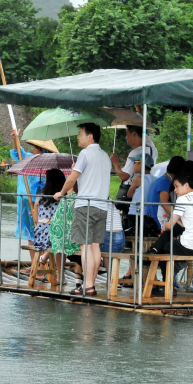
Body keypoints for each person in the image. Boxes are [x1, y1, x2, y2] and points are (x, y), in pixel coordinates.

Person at [53, 122, 110, 296]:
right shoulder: (105, 156)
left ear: (90, 136)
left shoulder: (85, 154)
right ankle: (89, 284)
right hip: (102, 206)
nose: (78, 137)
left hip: (85, 205)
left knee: (85, 246)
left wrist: (61, 192)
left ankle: (88, 285)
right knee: (95, 247)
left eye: (81, 133)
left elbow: (72, 179)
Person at [146, 172, 193, 285]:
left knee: (166, 248)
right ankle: (153, 250)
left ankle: (168, 286)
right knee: (176, 228)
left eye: (177, 186)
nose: (175, 190)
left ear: (186, 185)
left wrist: (163, 227)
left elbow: (169, 225)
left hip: (190, 246)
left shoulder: (183, 200)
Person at [11, 137, 50, 241]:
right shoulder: (28, 158)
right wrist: (15, 139)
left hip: (38, 201)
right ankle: (34, 258)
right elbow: (17, 152)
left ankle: (41, 256)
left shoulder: (48, 165)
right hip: (25, 199)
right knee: (29, 231)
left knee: (39, 230)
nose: (33, 149)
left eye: (36, 147)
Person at [32, 169, 66, 277]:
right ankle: (61, 276)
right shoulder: (63, 198)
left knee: (57, 238)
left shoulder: (40, 196)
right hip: (56, 235)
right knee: (62, 242)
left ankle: (44, 258)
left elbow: (36, 219)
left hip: (40, 235)